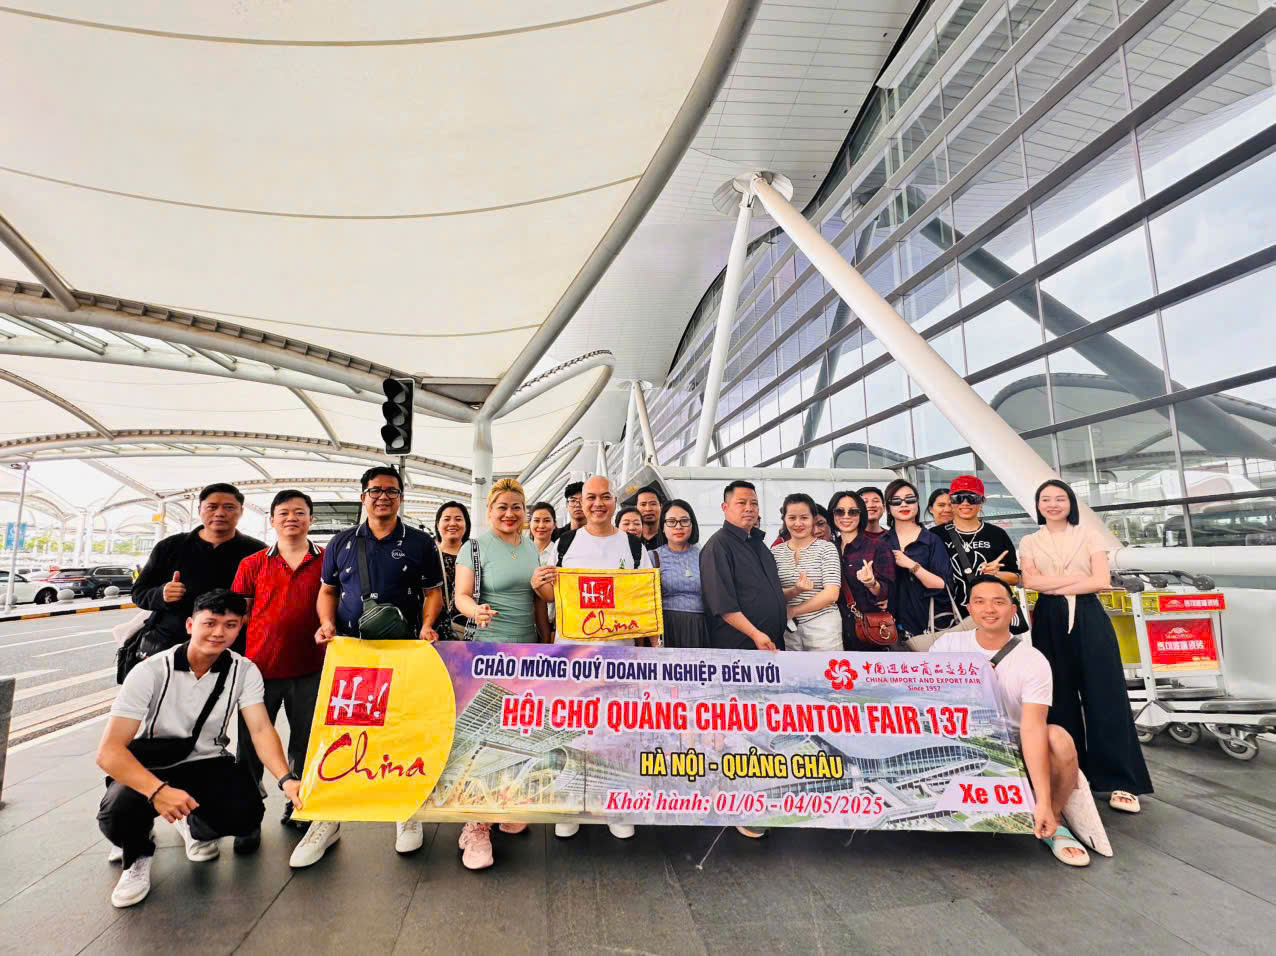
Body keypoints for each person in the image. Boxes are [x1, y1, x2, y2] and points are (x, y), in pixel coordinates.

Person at [97, 590, 302, 908]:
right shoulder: (151, 671)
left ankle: (190, 823)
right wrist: (157, 791)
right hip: (151, 764)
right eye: (210, 623)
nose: (219, 633)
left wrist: (286, 779)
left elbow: (261, 729)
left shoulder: (244, 670)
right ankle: (137, 855)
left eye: (230, 625)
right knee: (117, 816)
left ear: (240, 628)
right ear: (190, 625)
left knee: (246, 814)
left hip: (206, 761)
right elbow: (109, 752)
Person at [315, 465, 443, 855]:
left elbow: (433, 592)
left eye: (391, 491)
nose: (383, 497)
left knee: (403, 730)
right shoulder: (341, 543)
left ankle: (407, 810)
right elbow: (327, 591)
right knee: (345, 732)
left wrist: (427, 625)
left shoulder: (420, 542)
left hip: (403, 651)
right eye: (375, 491)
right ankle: (328, 818)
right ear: (363, 497)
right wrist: (326, 624)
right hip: (353, 653)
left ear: (400, 497)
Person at [931, 576, 1091, 867]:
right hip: (958, 741)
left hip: (1012, 745)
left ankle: (1052, 819)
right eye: (980, 602)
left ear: (1013, 609)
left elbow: (1032, 727)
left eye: (998, 602)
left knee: (1058, 739)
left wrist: (1043, 800)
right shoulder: (948, 645)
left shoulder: (1032, 660)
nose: (989, 609)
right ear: (969, 608)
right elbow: (926, 700)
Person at [1020, 479, 1152, 813]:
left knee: (1106, 696)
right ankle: (1072, 775)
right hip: (1048, 619)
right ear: (1038, 505)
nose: (1053, 504)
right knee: (1058, 698)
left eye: (1059, 498)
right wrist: (1076, 582)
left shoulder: (1090, 535)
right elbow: (1030, 581)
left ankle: (1122, 781)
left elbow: (1101, 581)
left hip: (1089, 615)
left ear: (1070, 503)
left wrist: (1055, 586)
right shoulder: (1030, 540)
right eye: (1046, 499)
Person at [532, 474, 651, 841]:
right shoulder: (565, 543)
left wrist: (652, 648)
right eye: (591, 498)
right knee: (574, 728)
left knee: (617, 730)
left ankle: (616, 806)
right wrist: (539, 584)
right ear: (580, 503)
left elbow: (646, 600)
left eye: (605, 497)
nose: (598, 504)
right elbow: (550, 595)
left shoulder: (633, 546)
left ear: (614, 501)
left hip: (619, 655)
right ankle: (571, 804)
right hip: (574, 653)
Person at [451, 479, 545, 869]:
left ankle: (505, 803)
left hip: (527, 650)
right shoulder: (475, 548)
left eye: (516, 507)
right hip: (488, 652)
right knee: (483, 736)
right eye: (502, 507)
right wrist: (476, 612)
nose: (509, 513)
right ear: (489, 511)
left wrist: (547, 641)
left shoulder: (531, 547)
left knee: (518, 732)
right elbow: (461, 596)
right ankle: (475, 825)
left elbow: (537, 600)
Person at [229, 490, 325, 857]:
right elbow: (239, 615)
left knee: (306, 742)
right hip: (259, 671)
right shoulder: (252, 564)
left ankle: (300, 804)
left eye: (299, 512)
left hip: (312, 669)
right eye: (283, 513)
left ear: (311, 520)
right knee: (250, 746)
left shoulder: (327, 561)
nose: (291, 519)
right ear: (271, 520)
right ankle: (247, 814)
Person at [699, 480, 786, 840]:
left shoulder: (759, 545)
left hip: (767, 651)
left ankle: (760, 799)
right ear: (725, 508)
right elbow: (723, 605)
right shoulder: (718, 546)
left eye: (753, 503)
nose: (749, 508)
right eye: (741, 503)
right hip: (739, 651)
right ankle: (740, 809)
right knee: (737, 734)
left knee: (761, 731)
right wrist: (755, 634)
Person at [129, 483, 266, 662]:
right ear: (199, 510)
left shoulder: (258, 552)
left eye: (229, 507)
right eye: (212, 507)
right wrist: (161, 594)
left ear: (241, 512)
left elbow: (268, 601)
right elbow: (138, 593)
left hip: (232, 650)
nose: (220, 513)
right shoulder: (170, 547)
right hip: (170, 646)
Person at [936, 476, 1022, 625]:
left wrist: (995, 574)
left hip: (990, 616)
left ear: (982, 501)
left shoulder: (997, 534)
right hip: (949, 617)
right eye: (958, 498)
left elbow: (1017, 578)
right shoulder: (935, 535)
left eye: (972, 498)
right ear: (951, 501)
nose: (965, 503)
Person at [883, 478, 955, 646]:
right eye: (896, 501)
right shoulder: (882, 542)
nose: (904, 504)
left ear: (917, 503)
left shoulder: (931, 540)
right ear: (888, 508)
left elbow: (942, 584)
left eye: (910, 499)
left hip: (931, 624)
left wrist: (912, 565)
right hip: (892, 627)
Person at [770, 494, 842, 652]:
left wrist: (794, 610)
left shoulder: (826, 548)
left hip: (823, 626)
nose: (798, 523)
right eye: (792, 518)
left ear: (813, 519)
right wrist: (796, 590)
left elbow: (831, 594)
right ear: (784, 519)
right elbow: (774, 595)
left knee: (826, 668)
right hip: (789, 629)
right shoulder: (775, 552)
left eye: (804, 517)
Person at [828, 490, 894, 651]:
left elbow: (887, 592)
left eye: (853, 512)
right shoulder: (828, 548)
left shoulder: (878, 546)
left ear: (861, 514)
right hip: (832, 632)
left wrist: (871, 583)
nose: (846, 516)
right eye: (839, 511)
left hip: (867, 632)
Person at [653, 499, 707, 649]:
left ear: (692, 524)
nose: (678, 526)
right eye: (671, 521)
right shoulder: (654, 557)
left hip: (700, 626)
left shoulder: (704, 555)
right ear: (663, 526)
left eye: (684, 521)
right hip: (667, 626)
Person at [433, 500, 472, 640]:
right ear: (437, 525)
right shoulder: (428, 554)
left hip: (467, 628)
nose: (452, 523)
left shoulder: (475, 555)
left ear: (466, 525)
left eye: (458, 519)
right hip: (432, 629)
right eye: (447, 519)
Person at [635, 485, 665, 550]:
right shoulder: (630, 541)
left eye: (653, 504)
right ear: (636, 508)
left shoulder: (672, 538)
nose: (648, 509)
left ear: (661, 506)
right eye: (643, 504)